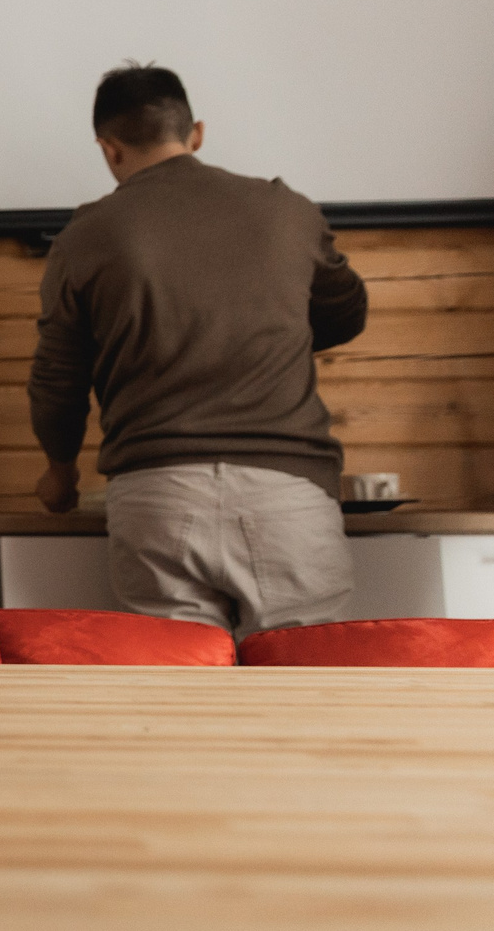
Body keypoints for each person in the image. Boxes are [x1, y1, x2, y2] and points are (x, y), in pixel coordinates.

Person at [28, 64, 368, 634]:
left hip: (156, 496)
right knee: (304, 677)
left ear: (109, 149)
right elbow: (346, 312)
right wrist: (270, 329)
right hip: (288, 495)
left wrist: (60, 473)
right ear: (197, 134)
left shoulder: (86, 235)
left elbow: (58, 378)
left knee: (179, 678)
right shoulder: (287, 211)